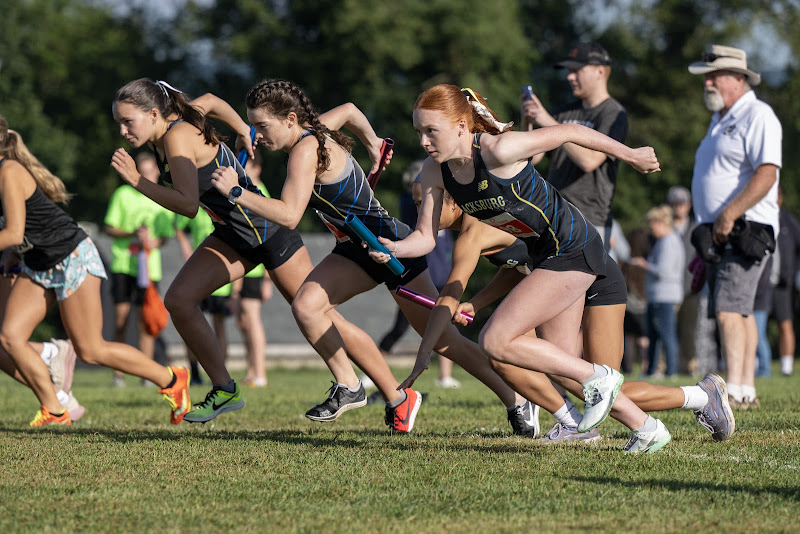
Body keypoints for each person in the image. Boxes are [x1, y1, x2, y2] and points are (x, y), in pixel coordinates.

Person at [210, 80, 546, 436]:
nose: (256, 135)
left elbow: (290, 215)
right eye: (253, 127)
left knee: (444, 340)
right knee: (307, 305)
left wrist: (236, 191)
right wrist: (373, 144)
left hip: (388, 243)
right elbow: (351, 109)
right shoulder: (315, 129)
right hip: (356, 247)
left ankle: (516, 400)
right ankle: (350, 385)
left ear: (290, 119)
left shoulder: (305, 150)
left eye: (262, 126)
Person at [374, 83, 671, 452]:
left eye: (431, 130)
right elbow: (424, 237)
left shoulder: (500, 149)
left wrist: (630, 155)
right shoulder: (435, 173)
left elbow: (570, 132)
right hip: (544, 256)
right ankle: (646, 428)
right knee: (562, 368)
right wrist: (394, 248)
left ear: (462, 127)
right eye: (418, 131)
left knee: (496, 339)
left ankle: (601, 377)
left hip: (574, 248)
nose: (423, 141)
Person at [110, 78, 419, 430]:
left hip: (268, 233)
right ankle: (225, 389)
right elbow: (210, 101)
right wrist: (243, 129)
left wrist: (137, 181)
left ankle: (396, 396)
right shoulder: (174, 124)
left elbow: (188, 205)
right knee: (179, 300)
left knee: (321, 315)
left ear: (153, 114)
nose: (122, 131)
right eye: (119, 122)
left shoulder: (177, 136)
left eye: (127, 121)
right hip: (234, 235)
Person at [413, 179, 734, 443]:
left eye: (424, 203)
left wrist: (425, 351)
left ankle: (702, 396)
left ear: (452, 201)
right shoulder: (483, 228)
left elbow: (449, 295)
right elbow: (517, 265)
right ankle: (576, 424)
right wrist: (478, 303)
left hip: (596, 276)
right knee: (568, 376)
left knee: (601, 388)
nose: (420, 214)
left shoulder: (473, 233)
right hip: (566, 277)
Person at [0, 114, 189, 426]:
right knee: (8, 338)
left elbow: (15, 231)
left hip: (72, 256)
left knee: (91, 349)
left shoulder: (8, 170)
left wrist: (10, 245)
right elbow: (17, 232)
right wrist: (9, 255)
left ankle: (171, 378)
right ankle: (56, 410)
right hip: (38, 264)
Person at [688, 45, 781, 408]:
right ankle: (745, 387)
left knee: (729, 309)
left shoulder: (757, 114)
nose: (708, 82)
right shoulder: (722, 118)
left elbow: (767, 172)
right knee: (738, 310)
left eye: (716, 76)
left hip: (745, 228)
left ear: (739, 79)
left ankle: (739, 390)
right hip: (723, 229)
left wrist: (729, 213)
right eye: (707, 77)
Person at [521, 42, 627, 248]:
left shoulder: (613, 114)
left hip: (589, 220)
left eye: (577, 70)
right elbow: (533, 159)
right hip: (552, 214)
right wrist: (529, 121)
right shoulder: (564, 111)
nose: (570, 77)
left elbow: (590, 161)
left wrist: (550, 123)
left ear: (600, 71)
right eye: (569, 71)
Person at [371, 160, 460, 389]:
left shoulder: (451, 212)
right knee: (401, 327)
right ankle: (373, 371)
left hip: (443, 274)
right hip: (420, 274)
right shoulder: (413, 206)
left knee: (447, 325)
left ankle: (445, 376)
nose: (423, 206)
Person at [104, 151, 176, 387]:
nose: (146, 175)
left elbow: (165, 235)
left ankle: (146, 374)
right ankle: (118, 374)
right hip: (123, 265)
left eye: (149, 171)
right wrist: (132, 234)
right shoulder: (123, 194)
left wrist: (154, 242)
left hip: (149, 270)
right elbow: (110, 227)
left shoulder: (162, 197)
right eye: (141, 172)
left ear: (156, 172)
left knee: (146, 323)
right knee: (121, 321)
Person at [630, 205, 685, 377]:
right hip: (657, 296)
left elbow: (665, 270)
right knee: (653, 335)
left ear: (661, 223)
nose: (651, 230)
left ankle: (671, 371)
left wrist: (643, 264)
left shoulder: (670, 242)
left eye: (652, 225)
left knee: (666, 334)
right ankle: (652, 370)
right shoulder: (663, 241)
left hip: (665, 296)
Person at [668, 185, 700, 375]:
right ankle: (666, 366)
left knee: (689, 330)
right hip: (669, 287)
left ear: (688, 206)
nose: (679, 207)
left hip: (691, 287)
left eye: (682, 203)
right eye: (675, 203)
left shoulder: (696, 227)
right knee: (667, 330)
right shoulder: (663, 226)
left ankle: (689, 364)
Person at [772, 186, 800, 376]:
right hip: (760, 281)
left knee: (785, 324)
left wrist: (793, 272)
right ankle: (758, 364)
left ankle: (786, 367)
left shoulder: (789, 221)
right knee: (754, 324)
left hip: (783, 283)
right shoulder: (756, 216)